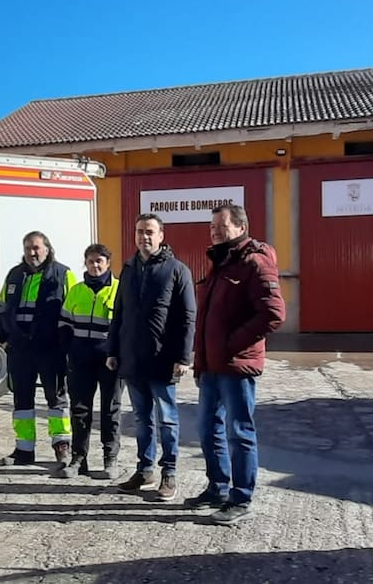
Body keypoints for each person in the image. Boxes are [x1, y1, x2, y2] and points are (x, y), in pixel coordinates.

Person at [189, 202, 285, 525]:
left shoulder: (254, 263)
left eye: (222, 225)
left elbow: (273, 314)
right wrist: (200, 359)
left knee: (239, 432)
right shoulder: (221, 262)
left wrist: (232, 345)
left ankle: (241, 497)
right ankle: (217, 487)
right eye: (212, 226)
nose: (215, 230)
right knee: (207, 429)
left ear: (241, 228)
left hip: (236, 367)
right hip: (211, 367)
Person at [107, 213, 196, 501]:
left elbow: (187, 317)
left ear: (161, 236)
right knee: (142, 420)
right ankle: (145, 470)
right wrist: (113, 350)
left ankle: (168, 473)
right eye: (139, 232)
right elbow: (118, 314)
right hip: (132, 360)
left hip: (162, 360)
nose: (143, 237)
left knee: (167, 420)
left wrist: (183, 357)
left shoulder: (177, 270)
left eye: (149, 232)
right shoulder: (129, 269)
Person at [0, 230, 79, 468]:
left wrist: (66, 344)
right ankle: (24, 450)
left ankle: (61, 446)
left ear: (47, 248)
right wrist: (4, 338)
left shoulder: (63, 274)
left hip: (50, 349)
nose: (32, 253)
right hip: (20, 349)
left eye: (36, 248)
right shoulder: (14, 275)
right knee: (22, 400)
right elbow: (1, 307)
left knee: (56, 400)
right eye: (27, 248)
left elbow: (72, 310)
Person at [54, 243, 124, 480]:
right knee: (80, 410)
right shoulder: (76, 291)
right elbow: (64, 324)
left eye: (100, 261)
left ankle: (110, 458)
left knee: (110, 409)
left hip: (110, 362)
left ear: (108, 263)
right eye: (91, 261)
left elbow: (125, 327)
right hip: (80, 360)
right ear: (85, 262)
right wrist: (69, 351)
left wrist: (117, 354)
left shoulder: (119, 290)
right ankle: (78, 459)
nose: (95, 266)